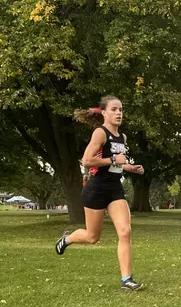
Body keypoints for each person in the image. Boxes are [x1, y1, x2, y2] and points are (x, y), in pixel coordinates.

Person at [55, 96, 146, 291]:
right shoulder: (100, 133)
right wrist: (114, 159)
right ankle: (67, 239)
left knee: (125, 231)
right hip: (96, 189)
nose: (119, 113)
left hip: (115, 189)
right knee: (92, 237)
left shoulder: (123, 138)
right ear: (104, 112)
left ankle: (126, 280)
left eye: (121, 109)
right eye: (114, 109)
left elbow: (120, 163)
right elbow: (86, 161)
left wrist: (131, 167)